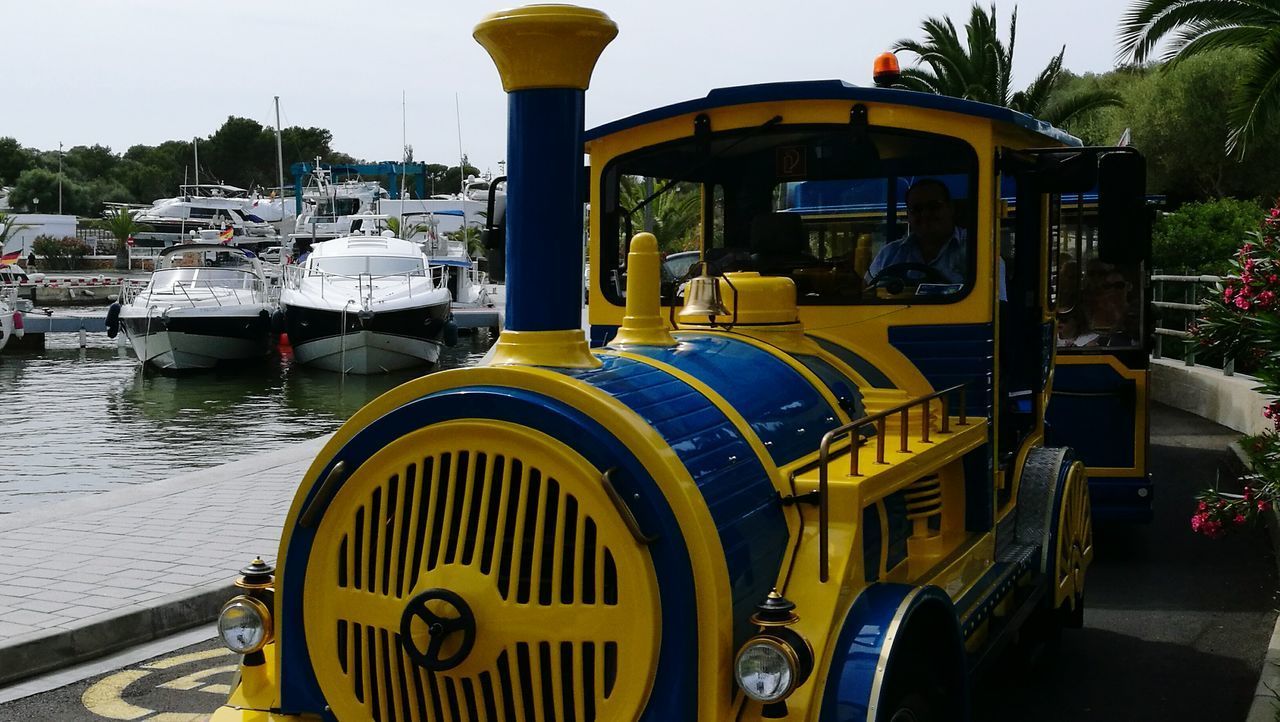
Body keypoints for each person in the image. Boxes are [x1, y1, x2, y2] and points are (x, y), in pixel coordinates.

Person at [866, 178, 1006, 300]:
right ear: (908, 215)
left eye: (934, 207)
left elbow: (995, 308)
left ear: (950, 208)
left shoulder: (979, 251)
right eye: (917, 209)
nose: (925, 214)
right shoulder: (889, 254)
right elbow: (866, 295)